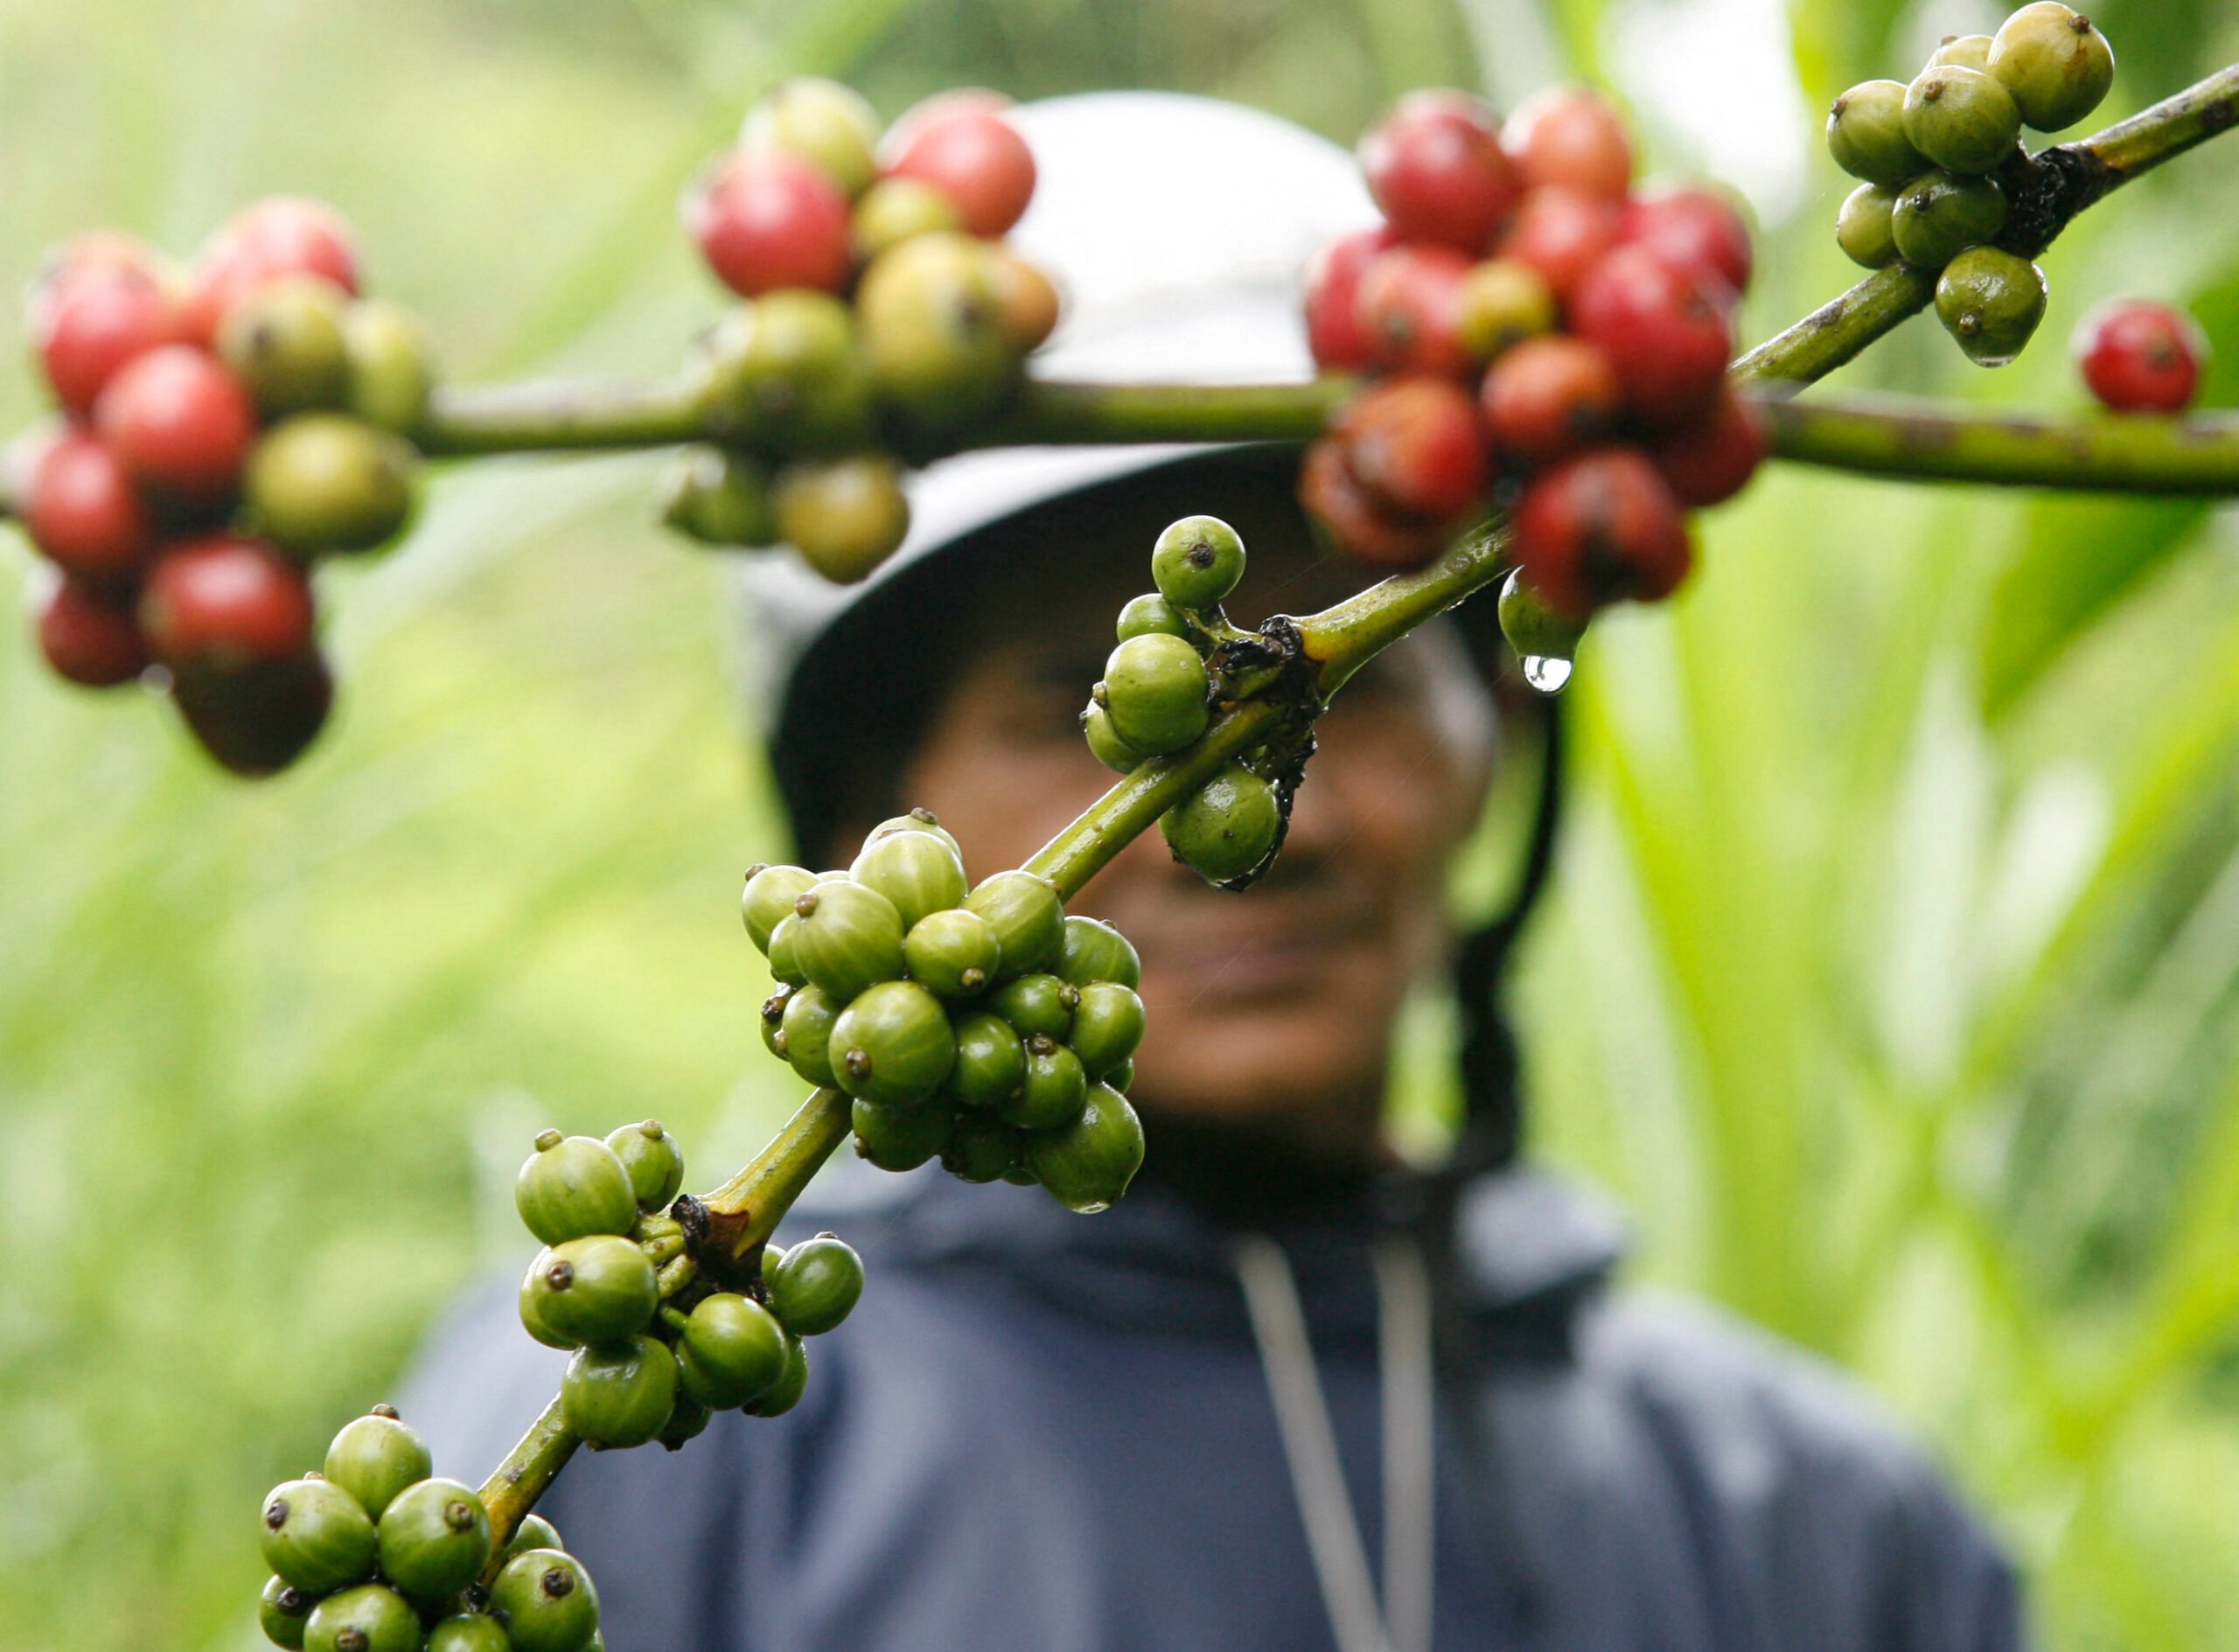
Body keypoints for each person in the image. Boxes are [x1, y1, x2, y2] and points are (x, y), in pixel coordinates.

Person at [404, 93, 2023, 1651]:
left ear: (1497, 748)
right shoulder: (625, 1460)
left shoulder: (1825, 1532)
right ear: (859, 829)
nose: (1269, 828)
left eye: (1357, 684)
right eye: (1079, 713)